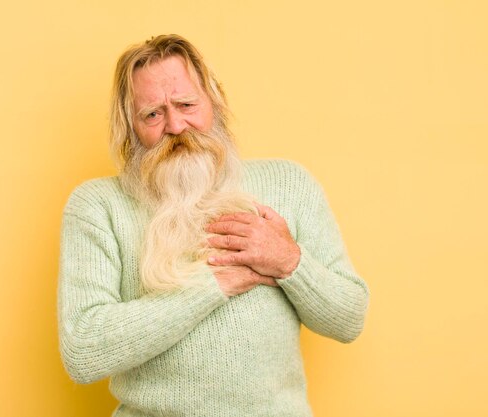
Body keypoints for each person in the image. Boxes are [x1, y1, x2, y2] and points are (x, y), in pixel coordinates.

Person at [58, 34, 369, 417]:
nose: (176, 125)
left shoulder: (290, 183)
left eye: (187, 104)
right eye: (153, 114)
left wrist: (288, 262)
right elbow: (83, 349)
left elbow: (350, 318)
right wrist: (214, 284)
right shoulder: (98, 205)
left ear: (215, 102)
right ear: (131, 128)